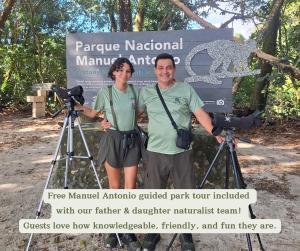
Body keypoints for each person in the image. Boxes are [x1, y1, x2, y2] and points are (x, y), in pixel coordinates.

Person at [137, 53, 224, 251]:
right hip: (155, 153)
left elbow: (200, 113)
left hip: (181, 153)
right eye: (160, 67)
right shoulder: (147, 92)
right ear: (155, 70)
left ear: (174, 70)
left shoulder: (186, 89)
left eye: (168, 67)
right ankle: (153, 231)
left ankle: (186, 234)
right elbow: (133, 114)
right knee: (153, 195)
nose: (164, 71)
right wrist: (111, 122)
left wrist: (216, 132)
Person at [76, 57, 141, 251]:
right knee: (115, 187)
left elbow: (138, 113)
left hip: (131, 140)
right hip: (112, 140)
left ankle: (128, 230)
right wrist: (82, 110)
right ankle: (114, 229)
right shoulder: (106, 91)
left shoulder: (135, 91)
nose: (124, 74)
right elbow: (94, 113)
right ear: (114, 72)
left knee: (130, 188)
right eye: (120, 70)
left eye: (128, 71)